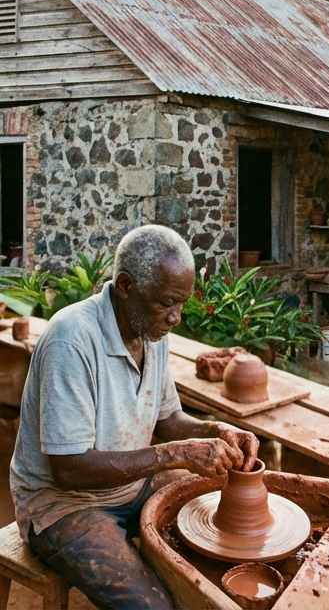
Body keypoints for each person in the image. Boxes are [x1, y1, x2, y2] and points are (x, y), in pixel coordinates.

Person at [10, 225, 260, 609]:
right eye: (167, 303)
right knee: (153, 606)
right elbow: (69, 469)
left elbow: (167, 420)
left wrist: (214, 429)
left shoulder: (151, 332)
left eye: (182, 303)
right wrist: (176, 454)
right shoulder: (71, 339)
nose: (176, 317)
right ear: (125, 286)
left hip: (131, 485)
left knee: (213, 550)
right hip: (62, 503)